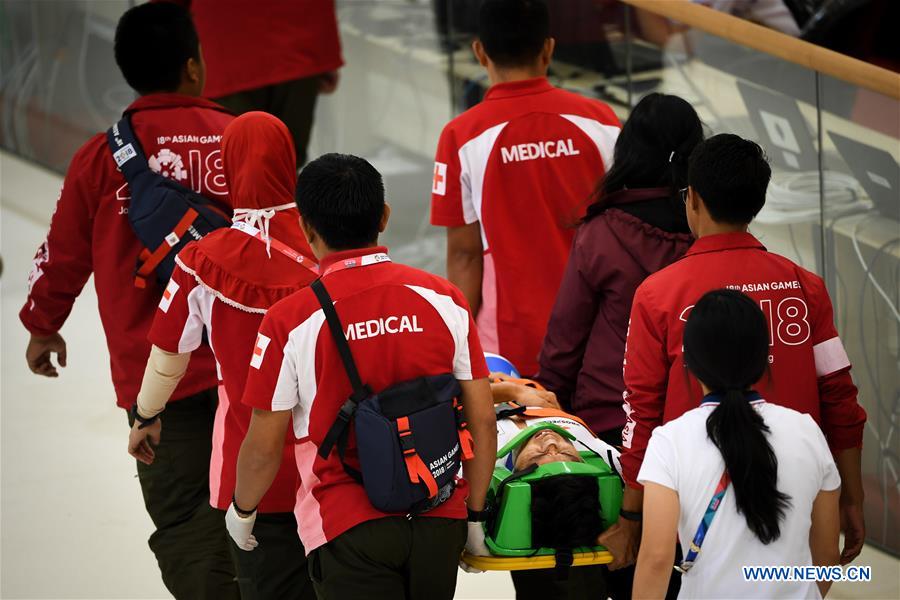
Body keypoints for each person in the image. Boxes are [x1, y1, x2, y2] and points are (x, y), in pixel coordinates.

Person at [19, 4, 238, 598]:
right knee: (266, 511)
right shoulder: (244, 141)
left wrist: (44, 323)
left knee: (186, 521)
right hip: (251, 371)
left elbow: (62, 251)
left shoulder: (100, 157)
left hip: (155, 385)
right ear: (193, 66)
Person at [226, 153, 498, 600]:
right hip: (438, 515)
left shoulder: (289, 321)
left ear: (306, 228)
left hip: (347, 523)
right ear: (384, 217)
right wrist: (474, 515)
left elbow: (263, 446)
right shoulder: (444, 298)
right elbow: (481, 420)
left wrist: (242, 512)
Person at [606, 134, 867, 574]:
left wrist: (633, 515)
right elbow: (840, 399)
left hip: (694, 510)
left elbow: (641, 412)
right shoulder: (805, 286)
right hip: (796, 498)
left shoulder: (657, 295)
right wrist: (851, 497)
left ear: (694, 201)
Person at [127, 112, 319, 599]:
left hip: (246, 469)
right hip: (335, 473)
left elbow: (168, 355)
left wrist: (146, 414)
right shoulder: (327, 250)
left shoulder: (200, 259)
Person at [430, 0, 621, 377]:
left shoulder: (460, 137)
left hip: (508, 347)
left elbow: (465, 256)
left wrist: (459, 354)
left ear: (479, 52)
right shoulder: (603, 121)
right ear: (549, 48)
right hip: (595, 335)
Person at [634, 289, 841, 598]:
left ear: (689, 360)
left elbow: (656, 560)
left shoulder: (670, 441)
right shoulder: (806, 430)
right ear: (762, 357)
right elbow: (826, 553)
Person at [537, 93, 701, 446]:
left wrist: (547, 407)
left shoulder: (601, 232)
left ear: (628, 151)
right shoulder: (705, 233)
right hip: (694, 418)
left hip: (610, 418)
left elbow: (566, 338)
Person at [172, 0, 343, 166]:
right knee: (285, 161)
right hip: (297, 39)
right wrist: (326, 52)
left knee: (233, 161)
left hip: (226, 44)